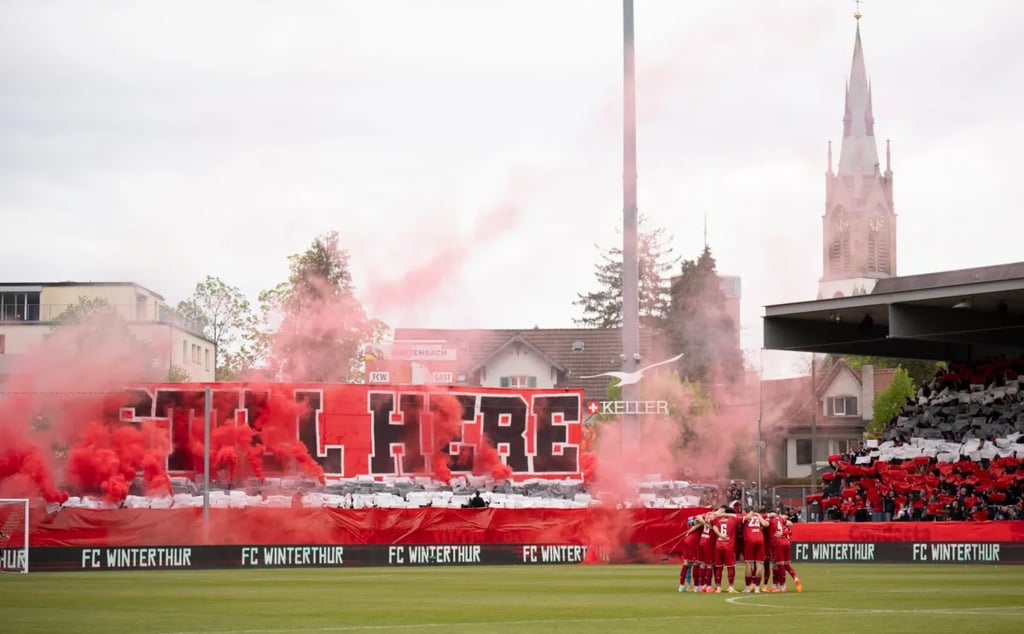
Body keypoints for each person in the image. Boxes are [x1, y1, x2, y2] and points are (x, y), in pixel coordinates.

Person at [767, 511, 802, 593]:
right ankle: (795, 577)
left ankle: (781, 585)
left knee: (778, 565)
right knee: (786, 565)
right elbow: (790, 525)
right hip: (787, 543)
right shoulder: (785, 527)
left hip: (777, 544)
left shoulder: (775, 522)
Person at [711, 506, 741, 593]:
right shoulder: (733, 519)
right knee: (730, 567)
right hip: (728, 546)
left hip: (718, 545)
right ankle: (731, 587)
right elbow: (743, 517)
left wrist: (720, 535)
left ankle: (718, 588)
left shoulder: (717, 519)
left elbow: (712, 523)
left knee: (719, 567)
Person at [741, 508, 769, 593]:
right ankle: (757, 587)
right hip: (760, 539)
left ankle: (747, 587)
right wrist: (759, 515)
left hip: (749, 539)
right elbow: (766, 524)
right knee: (759, 564)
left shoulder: (744, 516)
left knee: (748, 563)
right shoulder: (758, 516)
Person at [678, 516, 703, 592]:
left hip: (687, 540)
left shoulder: (692, 520)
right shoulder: (702, 520)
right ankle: (696, 587)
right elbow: (698, 521)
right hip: (693, 542)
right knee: (695, 563)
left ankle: (682, 586)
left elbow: (692, 521)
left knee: (687, 562)